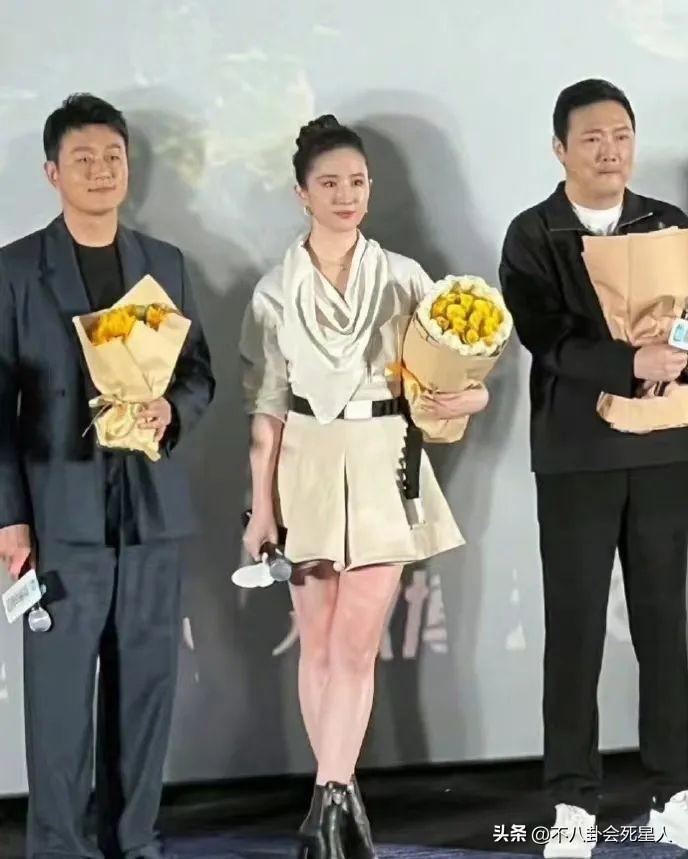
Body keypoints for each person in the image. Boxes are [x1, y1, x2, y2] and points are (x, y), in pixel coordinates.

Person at [240, 114, 488, 858]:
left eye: (356, 182)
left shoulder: (406, 277)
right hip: (305, 464)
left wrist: (468, 395)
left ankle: (326, 802)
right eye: (329, 184)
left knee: (354, 646)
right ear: (302, 193)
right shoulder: (274, 291)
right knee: (316, 646)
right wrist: (261, 506)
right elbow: (266, 406)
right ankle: (340, 803)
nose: (346, 195)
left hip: (384, 458)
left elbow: (454, 371)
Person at [0, 93, 214, 859]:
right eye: (83, 158)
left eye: (113, 157)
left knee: (146, 696)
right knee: (60, 703)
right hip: (59, 514)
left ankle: (135, 843)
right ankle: (59, 847)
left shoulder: (165, 264)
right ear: (53, 172)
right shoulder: (16, 269)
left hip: (150, 512)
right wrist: (10, 516)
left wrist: (171, 409)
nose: (100, 171)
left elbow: (198, 373)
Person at [499, 79, 688, 857]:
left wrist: (676, 357)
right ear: (560, 149)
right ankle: (573, 800)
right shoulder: (533, 233)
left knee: (665, 625)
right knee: (574, 628)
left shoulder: (669, 223)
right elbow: (545, 337)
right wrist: (628, 361)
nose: (610, 151)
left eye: (622, 135)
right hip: (576, 452)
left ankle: (674, 790)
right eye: (592, 139)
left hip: (665, 446)